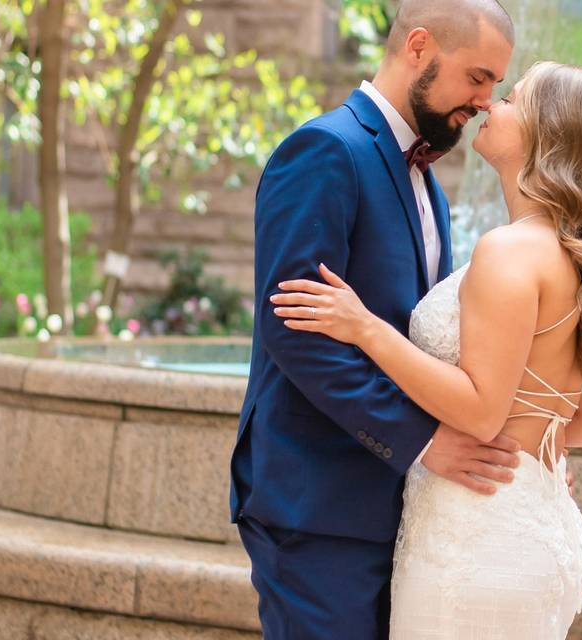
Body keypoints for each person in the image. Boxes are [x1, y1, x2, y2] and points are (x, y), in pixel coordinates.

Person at [272, 61, 582, 639]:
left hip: (476, 533)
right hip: (543, 524)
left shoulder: (509, 251)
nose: (490, 104)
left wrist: (365, 328)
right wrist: (527, 452)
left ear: (549, 132)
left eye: (513, 98)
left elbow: (480, 411)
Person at [228, 1, 522, 638]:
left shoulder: (431, 190)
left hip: (400, 509)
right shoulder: (324, 150)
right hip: (318, 505)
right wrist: (422, 441)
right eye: (477, 77)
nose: (484, 102)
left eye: (496, 85)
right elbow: (295, 332)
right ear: (419, 47)